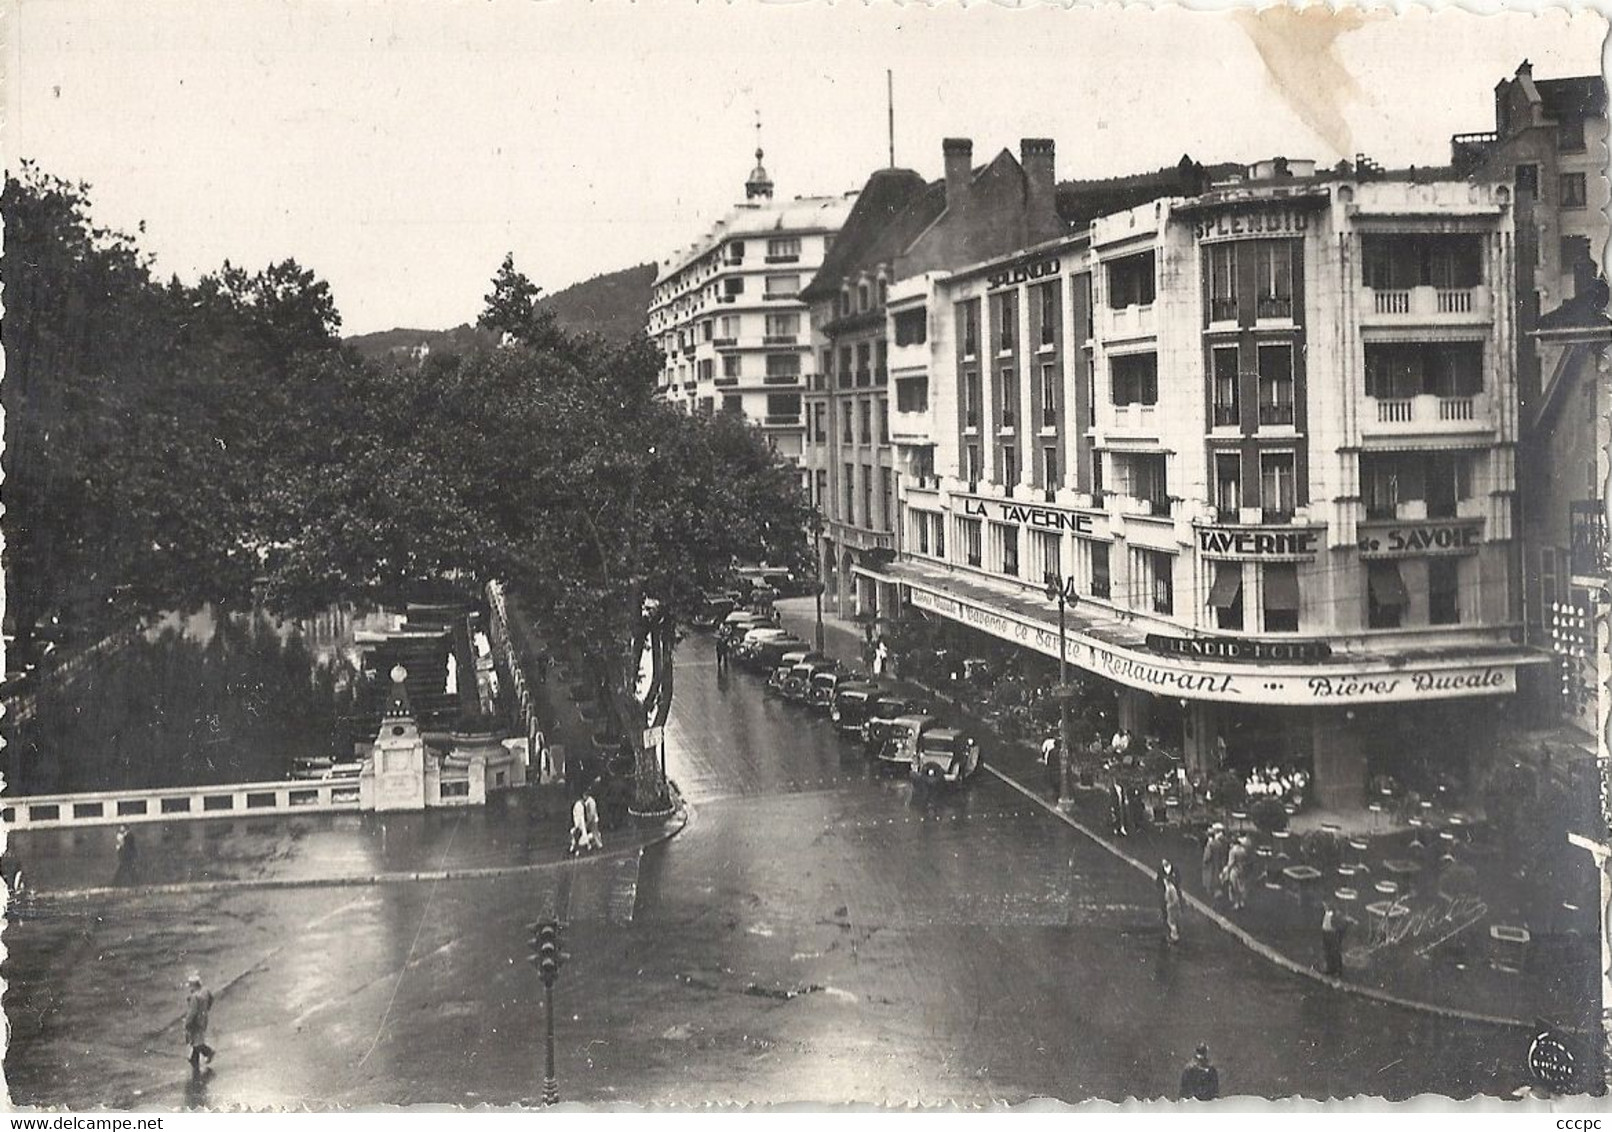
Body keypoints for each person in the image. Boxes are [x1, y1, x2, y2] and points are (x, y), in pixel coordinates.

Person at [183, 972, 215, 1071]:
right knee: (196, 1041)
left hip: (195, 1022)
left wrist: (187, 1023)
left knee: (196, 1042)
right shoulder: (205, 991)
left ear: (193, 985)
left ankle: (208, 1052)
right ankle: (194, 1060)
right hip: (203, 1019)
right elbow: (211, 998)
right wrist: (206, 1008)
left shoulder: (194, 997)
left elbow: (192, 1012)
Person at [1320, 899, 1351, 977]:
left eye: (1326, 905)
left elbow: (1339, 925)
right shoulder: (1326, 913)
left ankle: (1337, 971)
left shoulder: (1335, 914)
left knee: (1335, 953)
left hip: (1332, 934)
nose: (1324, 906)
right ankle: (1330, 969)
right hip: (1326, 933)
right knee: (1328, 953)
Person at [1222, 836, 1252, 911]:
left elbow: (1231, 863)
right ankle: (1242, 902)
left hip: (1234, 870)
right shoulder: (1243, 850)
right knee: (1241, 886)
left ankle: (1236, 904)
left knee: (1234, 887)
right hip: (1242, 870)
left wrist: (1226, 870)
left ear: (1232, 843)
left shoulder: (1232, 851)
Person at [1201, 824, 1229, 903]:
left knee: (1211, 884)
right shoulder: (1222, 842)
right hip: (1220, 865)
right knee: (1219, 882)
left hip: (1211, 867)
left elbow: (1206, 857)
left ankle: (1215, 901)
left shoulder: (1211, 844)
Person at [1158, 859, 1183, 944]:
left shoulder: (1169, 889)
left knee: (1171, 922)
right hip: (1174, 907)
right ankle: (1174, 935)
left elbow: (1172, 899)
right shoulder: (1172, 888)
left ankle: (1174, 936)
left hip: (1171, 908)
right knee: (1173, 922)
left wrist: (1169, 905)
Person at [582, 787, 604, 852]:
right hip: (594, 818)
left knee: (594, 832)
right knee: (594, 832)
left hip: (593, 819)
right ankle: (596, 843)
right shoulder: (591, 801)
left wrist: (589, 820)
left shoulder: (589, 802)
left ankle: (599, 845)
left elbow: (591, 812)